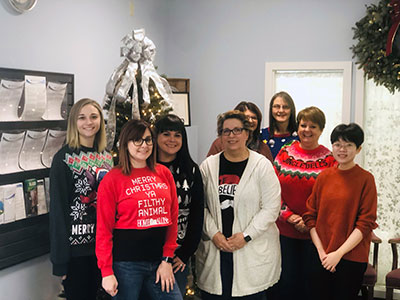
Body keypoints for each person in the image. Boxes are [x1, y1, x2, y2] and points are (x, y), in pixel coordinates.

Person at [197, 110, 281, 299]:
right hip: (217, 250)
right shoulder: (208, 166)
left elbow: (271, 208)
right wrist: (214, 234)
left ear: (247, 133)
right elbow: (199, 207)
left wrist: (246, 236)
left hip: (250, 252)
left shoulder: (262, 166)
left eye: (237, 130)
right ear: (220, 136)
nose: (231, 135)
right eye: (226, 131)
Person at [96, 119, 182, 300]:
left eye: (148, 140)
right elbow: (104, 229)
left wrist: (167, 259)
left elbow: (172, 219)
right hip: (126, 265)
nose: (144, 145)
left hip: (159, 262)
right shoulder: (112, 179)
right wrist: (106, 272)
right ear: (126, 144)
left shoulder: (164, 173)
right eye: (137, 140)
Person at [303, 123, 378, 300]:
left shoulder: (366, 179)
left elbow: (365, 223)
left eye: (348, 145)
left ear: (358, 149)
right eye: (337, 144)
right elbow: (310, 217)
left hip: (351, 258)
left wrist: (338, 254)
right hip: (321, 256)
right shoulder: (324, 177)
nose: (342, 149)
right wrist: (322, 252)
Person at [50, 98, 113, 300]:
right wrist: (61, 262)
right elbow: (58, 212)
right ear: (73, 123)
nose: (89, 122)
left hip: (105, 250)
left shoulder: (107, 156)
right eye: (82, 117)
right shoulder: (63, 159)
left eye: (94, 117)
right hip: (77, 253)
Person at [273, 106, 336, 300]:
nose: (307, 130)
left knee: (312, 287)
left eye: (313, 126)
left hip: (316, 235)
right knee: (286, 283)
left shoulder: (330, 159)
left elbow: (332, 198)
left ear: (321, 130)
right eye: (303, 125)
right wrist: (289, 216)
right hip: (284, 231)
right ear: (297, 127)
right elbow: (271, 191)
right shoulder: (284, 153)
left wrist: (309, 221)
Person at [207, 101, 273, 163]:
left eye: (253, 118)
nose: (250, 121)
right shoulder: (219, 144)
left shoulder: (263, 148)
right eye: (247, 117)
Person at [261, 91, 298, 159]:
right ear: (271, 109)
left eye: (285, 107)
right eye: (277, 106)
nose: (281, 110)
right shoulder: (261, 135)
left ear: (291, 110)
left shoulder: (300, 136)